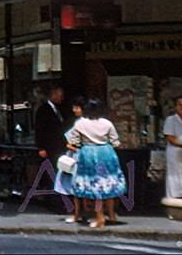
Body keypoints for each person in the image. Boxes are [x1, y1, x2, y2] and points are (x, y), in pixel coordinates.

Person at [66, 99, 127, 229]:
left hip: (88, 153)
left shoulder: (80, 123)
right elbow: (116, 142)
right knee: (106, 184)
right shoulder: (107, 123)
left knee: (95, 186)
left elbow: (74, 140)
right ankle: (111, 215)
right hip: (106, 153)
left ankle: (100, 218)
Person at [34, 85, 68, 211]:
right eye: (59, 96)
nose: (61, 98)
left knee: (58, 173)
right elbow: (40, 129)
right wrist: (41, 147)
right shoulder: (43, 110)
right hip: (49, 147)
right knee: (51, 174)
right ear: (53, 95)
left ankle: (59, 200)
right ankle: (53, 202)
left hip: (59, 147)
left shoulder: (59, 109)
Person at [54, 97, 87, 223]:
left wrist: (69, 146)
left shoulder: (80, 123)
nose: (74, 110)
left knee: (76, 186)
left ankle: (78, 214)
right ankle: (85, 213)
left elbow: (72, 141)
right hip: (83, 154)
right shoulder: (84, 122)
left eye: (77, 108)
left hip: (78, 155)